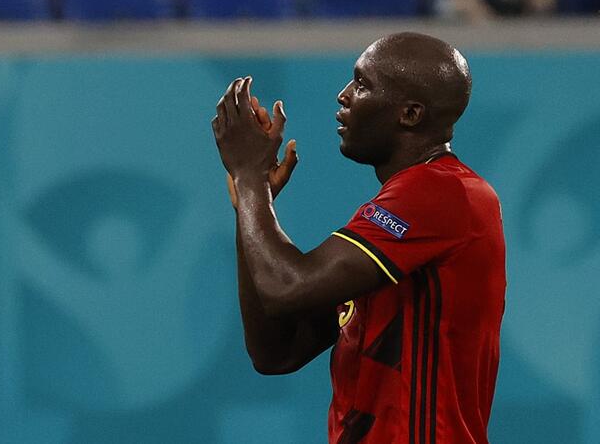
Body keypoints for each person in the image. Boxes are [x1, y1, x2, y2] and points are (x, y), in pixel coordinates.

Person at [212, 32, 506, 444]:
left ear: (410, 114)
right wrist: (250, 199)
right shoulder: (403, 214)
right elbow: (276, 353)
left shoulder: (443, 192)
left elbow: (286, 287)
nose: (344, 95)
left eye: (363, 84)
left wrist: (249, 178)